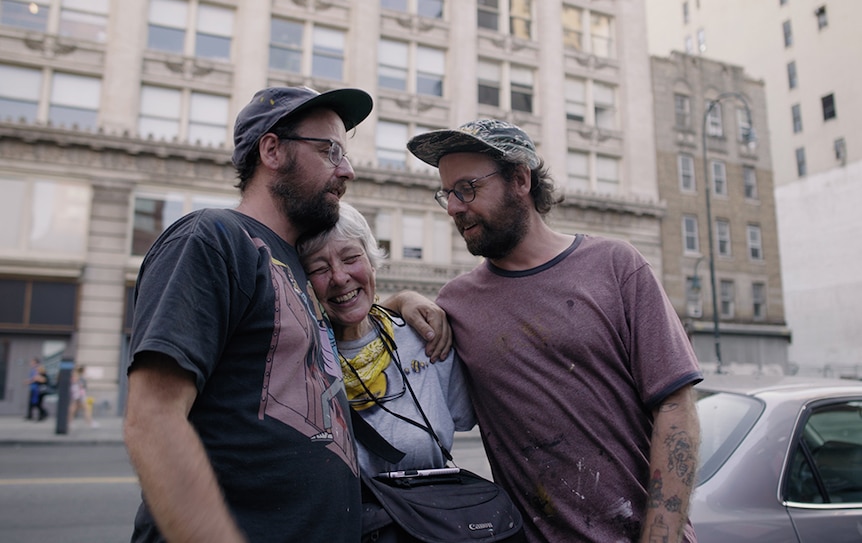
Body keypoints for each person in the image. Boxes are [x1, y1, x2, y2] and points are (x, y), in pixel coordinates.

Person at [124, 86, 451, 543]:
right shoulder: (212, 239)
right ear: (272, 150)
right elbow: (153, 417)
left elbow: (346, 307)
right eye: (330, 150)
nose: (348, 169)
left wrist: (399, 301)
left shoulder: (293, 265)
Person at [407, 119, 703, 543]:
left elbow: (676, 407)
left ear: (520, 179)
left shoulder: (616, 266)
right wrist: (402, 299)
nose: (454, 206)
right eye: (447, 193)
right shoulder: (455, 304)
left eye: (467, 188)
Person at [298, 202, 476, 541]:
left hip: (430, 530)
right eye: (318, 268)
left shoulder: (425, 338)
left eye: (351, 259)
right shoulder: (295, 360)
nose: (339, 277)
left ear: (371, 260)